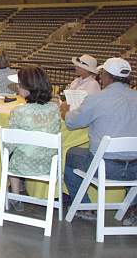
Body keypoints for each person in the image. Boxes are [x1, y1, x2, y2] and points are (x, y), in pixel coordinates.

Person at [63, 57, 137, 225]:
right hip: (135, 168)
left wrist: (64, 111)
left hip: (105, 166)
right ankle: (132, 208)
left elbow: (72, 122)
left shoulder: (97, 100)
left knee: (71, 155)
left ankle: (84, 206)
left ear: (106, 77)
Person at [4, 66, 61, 212]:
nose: (17, 86)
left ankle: (16, 196)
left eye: (20, 84)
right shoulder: (54, 108)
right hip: (49, 163)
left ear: (28, 88)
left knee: (11, 154)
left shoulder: (19, 111)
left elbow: (10, 144)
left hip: (23, 164)